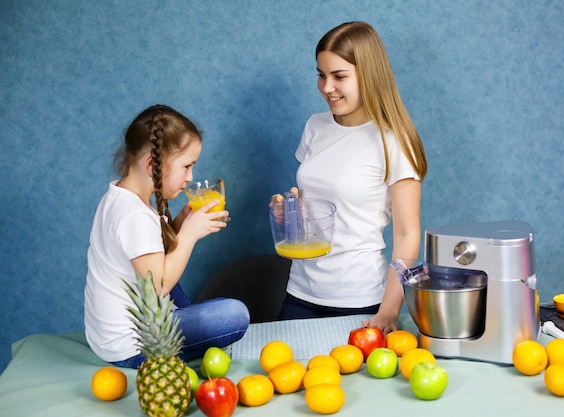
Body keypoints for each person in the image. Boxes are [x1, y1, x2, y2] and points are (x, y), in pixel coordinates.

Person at [271, 22, 427, 334]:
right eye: (321, 74)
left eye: (339, 76)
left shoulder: (393, 141)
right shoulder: (315, 126)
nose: (326, 87)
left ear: (369, 75)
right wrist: (289, 209)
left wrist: (388, 311)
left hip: (361, 300)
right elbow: (321, 202)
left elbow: (408, 235)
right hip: (300, 291)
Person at [84, 104, 250, 368]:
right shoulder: (133, 215)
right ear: (152, 164)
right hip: (134, 345)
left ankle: (187, 318)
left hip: (110, 336)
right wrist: (189, 235)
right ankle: (191, 321)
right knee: (234, 314)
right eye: (186, 167)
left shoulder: (120, 197)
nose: (190, 177)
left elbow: (149, 253)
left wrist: (181, 222)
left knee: (180, 278)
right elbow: (159, 285)